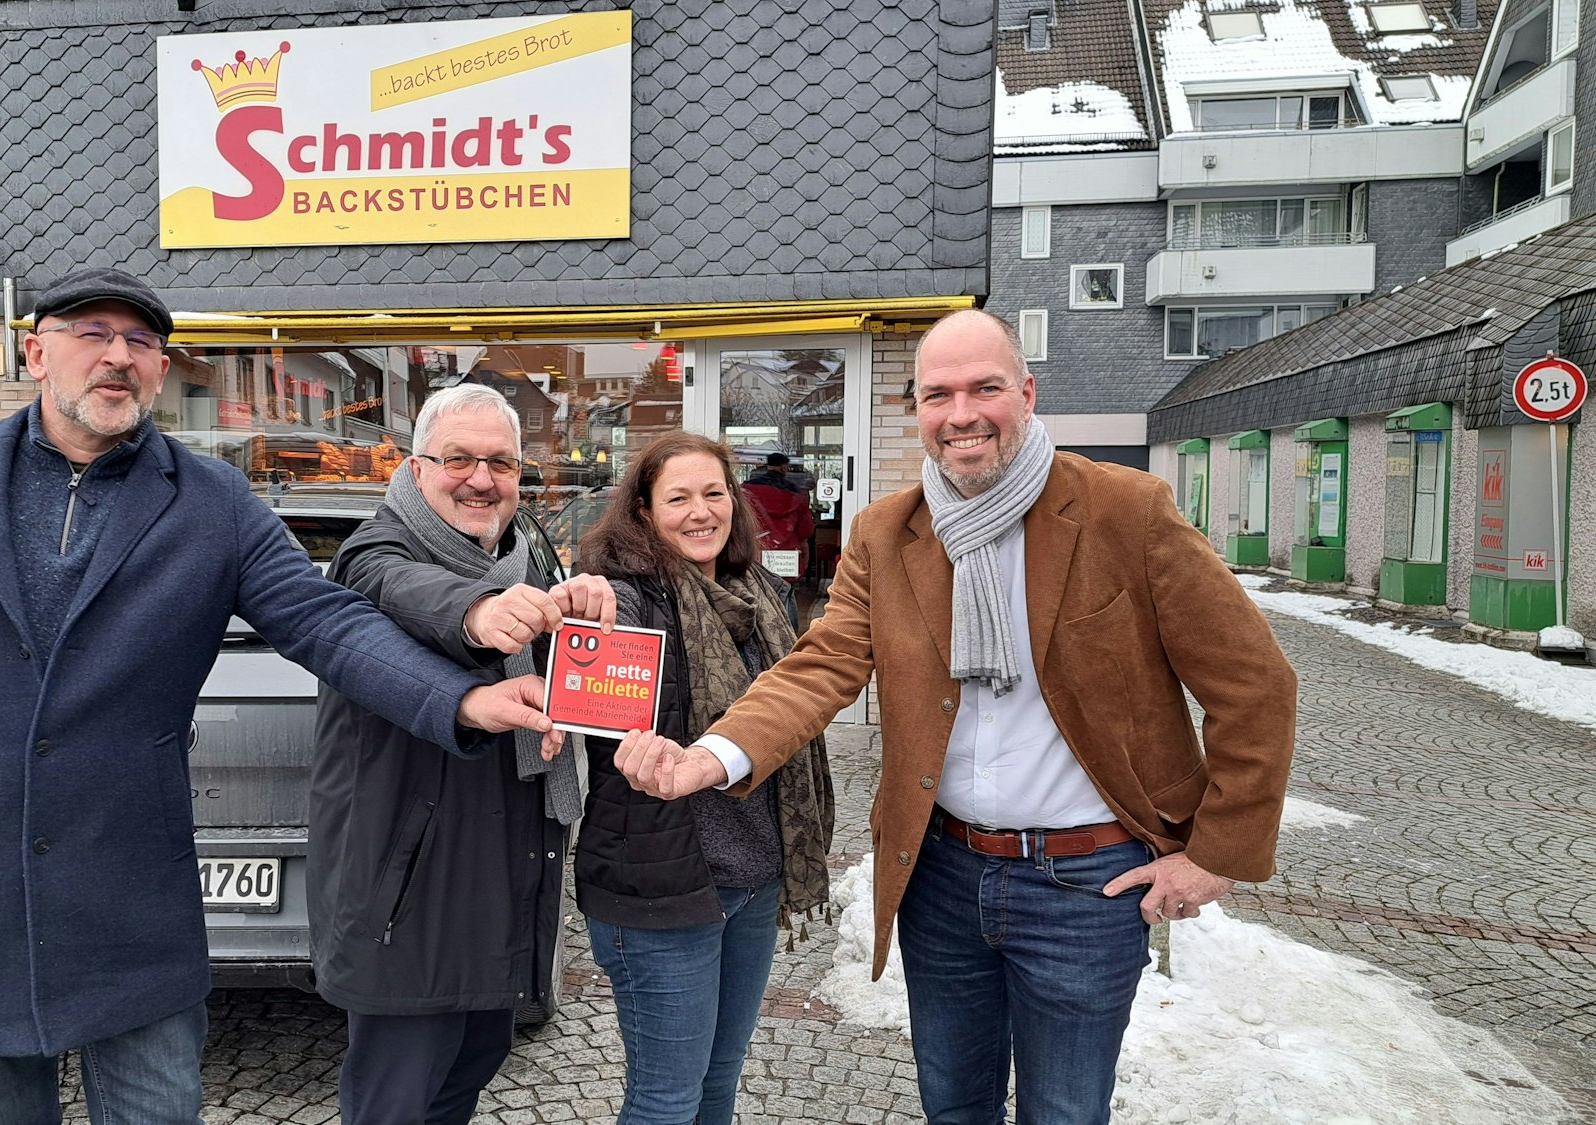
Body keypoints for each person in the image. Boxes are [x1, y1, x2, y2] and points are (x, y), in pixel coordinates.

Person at [0, 268, 560, 1125]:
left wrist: (462, 702)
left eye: (141, 343)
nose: (117, 357)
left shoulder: (211, 503)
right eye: (93, 334)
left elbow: (328, 623)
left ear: (161, 369)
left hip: (133, 904)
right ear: (36, 350)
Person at [613, 308, 1297, 1123]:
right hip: (942, 876)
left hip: (1085, 880)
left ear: (1028, 393)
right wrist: (711, 755)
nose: (962, 412)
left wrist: (1214, 854)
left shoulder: (1127, 510)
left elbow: (1255, 685)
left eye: (985, 388)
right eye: (939, 393)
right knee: (954, 1108)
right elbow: (821, 665)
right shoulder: (887, 531)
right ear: (918, 410)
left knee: (1067, 1112)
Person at [308, 384, 616, 1125]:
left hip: (498, 881)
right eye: (459, 459)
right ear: (417, 468)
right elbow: (408, 591)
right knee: (395, 1101)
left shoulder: (521, 560)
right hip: (406, 894)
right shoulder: (372, 553)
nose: (481, 478)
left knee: (471, 1067)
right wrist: (479, 613)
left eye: (501, 462)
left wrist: (579, 609)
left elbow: (559, 687)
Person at [573, 432, 833, 1125]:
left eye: (713, 493)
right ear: (644, 511)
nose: (699, 511)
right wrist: (575, 610)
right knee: (665, 1099)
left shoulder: (765, 596)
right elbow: (589, 676)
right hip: (664, 886)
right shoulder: (629, 598)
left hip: (755, 876)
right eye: (678, 497)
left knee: (719, 1081)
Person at [740, 451, 815, 578]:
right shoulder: (795, 493)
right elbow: (805, 530)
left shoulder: (747, 489)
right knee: (784, 593)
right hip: (787, 557)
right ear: (784, 467)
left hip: (755, 550)